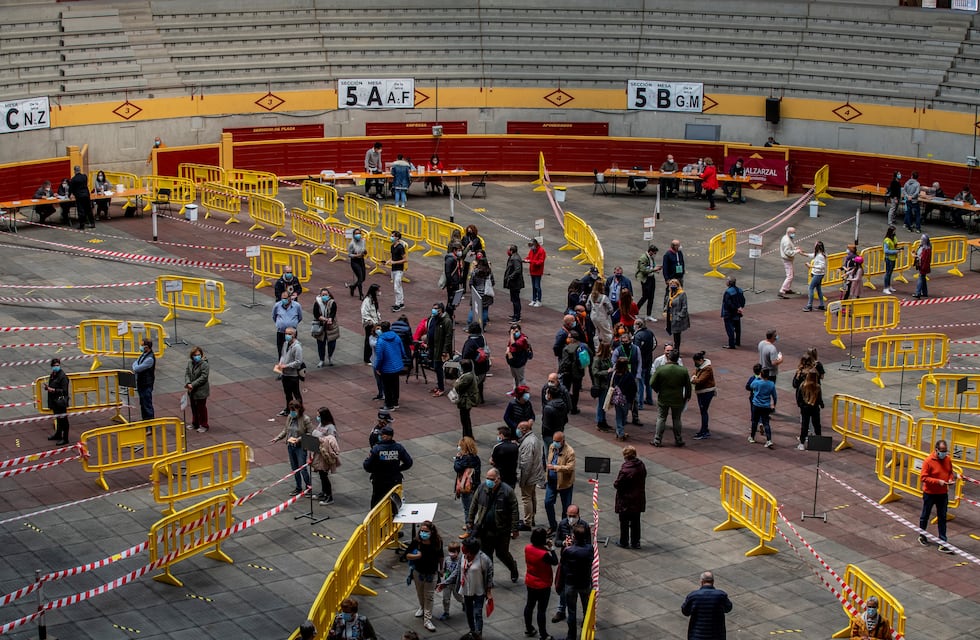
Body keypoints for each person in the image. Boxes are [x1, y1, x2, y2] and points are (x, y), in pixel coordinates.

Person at [465, 468, 520, 582]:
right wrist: (470, 520)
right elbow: (474, 504)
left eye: (491, 479)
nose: (488, 481)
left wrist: (514, 529)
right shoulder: (482, 488)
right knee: (487, 555)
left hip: (502, 530)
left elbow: (515, 511)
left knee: (502, 553)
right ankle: (489, 578)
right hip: (485, 529)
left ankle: (513, 567)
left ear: (498, 479)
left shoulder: (507, 491)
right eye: (487, 478)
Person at [438, 537, 493, 640]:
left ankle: (478, 634)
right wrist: (445, 583)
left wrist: (488, 591)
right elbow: (457, 572)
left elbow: (489, 574)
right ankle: (472, 631)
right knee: (469, 613)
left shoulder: (483, 559)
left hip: (478, 590)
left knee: (477, 613)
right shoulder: (463, 557)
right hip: (466, 590)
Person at [919, 439, 957, 553]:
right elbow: (923, 477)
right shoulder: (928, 461)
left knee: (942, 517)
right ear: (936, 450)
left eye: (946, 451)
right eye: (942, 451)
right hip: (930, 494)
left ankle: (942, 541)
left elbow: (950, 472)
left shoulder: (947, 459)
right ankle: (922, 535)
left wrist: (950, 479)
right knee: (925, 515)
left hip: (942, 494)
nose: (944, 453)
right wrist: (937, 481)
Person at [406, 520, 444, 632]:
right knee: (420, 592)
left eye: (426, 531)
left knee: (429, 596)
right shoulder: (416, 542)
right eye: (422, 531)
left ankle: (427, 619)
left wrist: (441, 568)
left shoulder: (437, 542)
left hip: (431, 574)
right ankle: (422, 607)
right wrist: (416, 556)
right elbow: (407, 555)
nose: (423, 533)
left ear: (432, 532)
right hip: (418, 572)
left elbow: (441, 556)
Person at [558, 523, 594, 640]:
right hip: (584, 583)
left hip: (571, 583)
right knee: (586, 609)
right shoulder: (589, 549)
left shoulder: (569, 551)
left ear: (573, 536)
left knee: (571, 611)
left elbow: (563, 563)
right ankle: (586, 631)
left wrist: (567, 546)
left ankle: (571, 635)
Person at [270, 400, 313, 496]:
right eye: (291, 410)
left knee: (302, 468)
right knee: (295, 468)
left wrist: (299, 439)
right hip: (291, 446)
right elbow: (286, 430)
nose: (292, 412)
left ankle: (308, 487)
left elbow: (310, 433)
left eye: (294, 410)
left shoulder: (305, 419)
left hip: (300, 447)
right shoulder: (290, 417)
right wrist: (277, 438)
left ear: (299, 409)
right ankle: (298, 487)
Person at [651, 349, 691, 447]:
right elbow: (688, 386)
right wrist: (687, 396)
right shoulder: (683, 370)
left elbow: (652, 382)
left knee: (661, 418)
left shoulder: (661, 369)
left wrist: (658, 390)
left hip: (663, 397)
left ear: (669, 357)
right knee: (677, 419)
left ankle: (657, 440)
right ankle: (678, 440)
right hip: (677, 398)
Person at [523, 527, 557, 640]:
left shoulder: (527, 548)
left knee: (529, 605)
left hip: (530, 581)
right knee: (541, 610)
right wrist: (551, 548)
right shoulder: (543, 554)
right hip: (543, 584)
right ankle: (543, 634)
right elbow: (555, 561)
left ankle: (529, 628)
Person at [681, 571, 733, 640]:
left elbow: (685, 612)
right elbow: (728, 608)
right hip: (717, 635)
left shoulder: (693, 596)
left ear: (702, 582)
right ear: (713, 582)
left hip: (697, 635)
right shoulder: (721, 595)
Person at [614, 445, 647, 549]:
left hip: (626, 500)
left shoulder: (625, 470)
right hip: (638, 498)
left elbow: (617, 484)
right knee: (636, 521)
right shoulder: (641, 465)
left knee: (624, 522)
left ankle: (624, 541)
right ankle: (635, 542)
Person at [544, 431, 575, 533]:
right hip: (551, 482)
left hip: (564, 484)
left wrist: (556, 467)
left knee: (566, 507)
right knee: (548, 503)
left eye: (557, 441)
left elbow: (570, 467)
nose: (555, 443)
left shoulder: (570, 452)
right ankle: (553, 525)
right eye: (554, 440)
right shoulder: (552, 447)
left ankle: (564, 528)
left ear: (563, 441)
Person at [517, 420, 545, 530]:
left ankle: (527, 522)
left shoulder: (528, 443)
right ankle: (531, 517)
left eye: (519, 428)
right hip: (535, 473)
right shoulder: (534, 439)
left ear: (524, 430)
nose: (517, 430)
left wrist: (522, 480)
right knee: (532, 495)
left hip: (529, 475)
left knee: (526, 498)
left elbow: (526, 464)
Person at [374, 321, 407, 411]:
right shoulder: (396, 336)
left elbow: (380, 357)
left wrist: (377, 367)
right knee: (395, 384)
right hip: (397, 365)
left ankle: (389, 405)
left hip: (386, 367)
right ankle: (395, 402)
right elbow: (402, 350)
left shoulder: (380, 341)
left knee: (387, 386)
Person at [311, 406, 340, 504]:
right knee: (321, 474)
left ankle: (329, 496)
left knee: (324, 475)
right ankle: (324, 492)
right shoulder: (321, 424)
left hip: (325, 455)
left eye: (319, 415)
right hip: (318, 453)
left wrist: (322, 441)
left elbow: (333, 441)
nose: (317, 417)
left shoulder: (330, 427)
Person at [274, 326, 304, 417]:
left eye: (289, 334)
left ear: (294, 335)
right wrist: (280, 364)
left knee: (296, 394)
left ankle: (300, 411)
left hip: (293, 375)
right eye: (286, 333)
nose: (287, 335)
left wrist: (286, 365)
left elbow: (298, 362)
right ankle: (288, 409)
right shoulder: (286, 343)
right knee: (287, 393)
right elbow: (283, 355)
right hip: (285, 373)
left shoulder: (297, 347)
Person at [426, 302, 454, 397]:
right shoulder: (433, 318)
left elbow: (448, 337)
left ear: (440, 310)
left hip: (440, 349)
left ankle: (441, 388)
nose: (433, 310)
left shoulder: (446, 321)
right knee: (435, 367)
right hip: (433, 348)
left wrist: (445, 351)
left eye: (435, 308)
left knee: (439, 368)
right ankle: (439, 385)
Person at [558, 330, 587, 415]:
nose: (568, 339)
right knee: (576, 391)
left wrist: (560, 370)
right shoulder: (584, 346)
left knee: (566, 389)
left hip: (568, 373)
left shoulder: (567, 348)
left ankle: (567, 406)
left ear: (573, 339)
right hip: (579, 372)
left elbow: (565, 362)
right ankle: (574, 408)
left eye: (569, 337)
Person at [461, 322, 490, 404]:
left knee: (472, 385)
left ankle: (473, 400)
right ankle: (481, 398)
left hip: (474, 368)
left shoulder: (469, 343)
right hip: (484, 366)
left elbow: (465, 356)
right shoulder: (482, 338)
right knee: (480, 384)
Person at [794, 369, 823, 451]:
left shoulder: (803, 385)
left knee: (804, 426)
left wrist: (800, 405)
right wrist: (821, 404)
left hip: (805, 409)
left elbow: (799, 397)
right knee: (817, 425)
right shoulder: (817, 387)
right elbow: (819, 398)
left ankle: (802, 443)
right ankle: (819, 442)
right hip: (815, 409)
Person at [608, 357, 637, 441]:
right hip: (626, 399)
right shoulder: (629, 376)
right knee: (624, 416)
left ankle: (619, 432)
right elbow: (634, 388)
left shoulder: (613, 374)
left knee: (618, 415)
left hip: (616, 399)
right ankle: (620, 432)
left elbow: (609, 382)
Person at [44, 358, 71, 445]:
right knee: (58, 418)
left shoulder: (62, 377)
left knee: (63, 420)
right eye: (54, 365)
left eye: (57, 365)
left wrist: (52, 390)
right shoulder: (53, 375)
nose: (56, 367)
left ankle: (65, 438)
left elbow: (64, 391)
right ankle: (58, 434)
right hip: (55, 401)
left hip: (61, 402)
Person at [454, 436, 481, 520]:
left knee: (467, 508)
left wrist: (457, 459)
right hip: (475, 485)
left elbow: (457, 468)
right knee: (473, 506)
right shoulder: (475, 457)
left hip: (466, 486)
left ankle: (469, 527)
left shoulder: (465, 459)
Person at [748, 369, 777, 448]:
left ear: (761, 374)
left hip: (756, 404)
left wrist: (758, 378)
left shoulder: (757, 382)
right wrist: (774, 404)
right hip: (765, 405)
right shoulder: (771, 384)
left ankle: (752, 437)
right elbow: (774, 396)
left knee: (754, 421)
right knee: (766, 423)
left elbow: (751, 385)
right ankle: (769, 440)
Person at [184, 346, 210, 433]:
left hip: (201, 390)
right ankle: (195, 423)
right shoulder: (190, 363)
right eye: (195, 355)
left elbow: (204, 377)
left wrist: (193, 384)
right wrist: (188, 383)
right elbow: (187, 373)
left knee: (201, 408)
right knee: (193, 407)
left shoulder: (204, 364)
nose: (197, 356)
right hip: (192, 390)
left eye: (199, 355)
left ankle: (204, 425)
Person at [691, 351, 716, 440]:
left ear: (701, 360)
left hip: (706, 392)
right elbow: (694, 373)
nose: (695, 364)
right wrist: (694, 376)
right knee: (703, 411)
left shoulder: (707, 369)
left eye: (696, 362)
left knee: (704, 411)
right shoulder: (700, 367)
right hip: (702, 392)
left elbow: (700, 380)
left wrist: (693, 380)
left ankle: (704, 431)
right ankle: (704, 429)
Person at [453, 359, 480, 439]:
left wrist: (457, 382)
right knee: (466, 419)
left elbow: (457, 386)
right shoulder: (471, 375)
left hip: (466, 401)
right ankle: (468, 435)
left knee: (465, 420)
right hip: (467, 400)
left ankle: (467, 436)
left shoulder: (467, 377)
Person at [312, 287, 339, 367]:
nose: (324, 296)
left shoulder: (332, 302)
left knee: (332, 343)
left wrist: (330, 319)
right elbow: (316, 314)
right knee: (320, 344)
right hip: (320, 325)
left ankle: (330, 357)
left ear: (329, 295)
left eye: (326, 295)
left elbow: (333, 312)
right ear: (320, 295)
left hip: (331, 326)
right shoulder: (317, 303)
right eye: (323, 295)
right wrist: (324, 319)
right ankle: (321, 360)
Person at [591, 341, 614, 432]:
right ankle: (600, 422)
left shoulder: (607, 358)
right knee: (601, 404)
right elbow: (595, 372)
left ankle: (603, 421)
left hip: (607, 385)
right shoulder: (597, 359)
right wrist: (607, 372)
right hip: (601, 386)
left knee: (605, 404)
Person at [272, 291, 303, 359]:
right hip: (281, 332)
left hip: (292, 333)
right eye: (282, 298)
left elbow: (300, 317)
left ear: (289, 298)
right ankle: (281, 366)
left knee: (292, 350)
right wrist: (280, 324)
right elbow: (274, 317)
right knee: (280, 350)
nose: (284, 300)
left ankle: (291, 365)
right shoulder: (277, 305)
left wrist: (293, 324)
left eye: (285, 298)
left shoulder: (297, 306)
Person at [438, 541, 463, 620]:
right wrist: (441, 571)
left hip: (456, 583)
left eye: (453, 552)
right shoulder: (447, 559)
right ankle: (446, 612)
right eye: (450, 551)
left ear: (458, 552)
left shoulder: (460, 561)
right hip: (447, 584)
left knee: (458, 597)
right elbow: (444, 569)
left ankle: (465, 603)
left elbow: (456, 573)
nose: (451, 554)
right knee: (446, 599)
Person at [132, 338, 156, 421]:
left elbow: (137, 368)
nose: (140, 347)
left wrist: (135, 367)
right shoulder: (143, 355)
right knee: (142, 403)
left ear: (147, 347)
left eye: (142, 345)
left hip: (146, 384)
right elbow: (135, 363)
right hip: (141, 383)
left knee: (147, 404)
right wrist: (135, 366)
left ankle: (150, 425)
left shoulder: (149, 359)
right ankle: (144, 420)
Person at [634, 244, 661, 318]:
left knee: (651, 297)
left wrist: (656, 269)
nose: (655, 255)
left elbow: (651, 266)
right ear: (651, 252)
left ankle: (649, 315)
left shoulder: (651, 258)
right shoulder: (643, 258)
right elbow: (643, 270)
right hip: (646, 279)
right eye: (654, 253)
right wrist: (653, 269)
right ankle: (635, 312)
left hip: (651, 278)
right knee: (645, 296)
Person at [664, 278, 690, 353]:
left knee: (677, 334)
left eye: (674, 285)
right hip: (671, 316)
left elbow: (684, 306)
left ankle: (676, 349)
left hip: (678, 318)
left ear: (678, 285)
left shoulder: (682, 294)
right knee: (673, 332)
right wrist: (665, 310)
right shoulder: (670, 293)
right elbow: (667, 302)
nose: (672, 286)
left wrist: (680, 316)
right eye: (671, 285)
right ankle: (676, 348)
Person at [468, 257, 494, 330]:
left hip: (476, 293)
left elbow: (471, 283)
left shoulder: (475, 272)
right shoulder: (489, 272)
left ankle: (470, 324)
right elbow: (493, 282)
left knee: (473, 309)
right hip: (486, 294)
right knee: (485, 310)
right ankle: (483, 326)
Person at [720, 276, 745, 350]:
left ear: (729, 282)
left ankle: (731, 344)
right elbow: (743, 300)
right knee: (737, 328)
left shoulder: (728, 292)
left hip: (729, 313)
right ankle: (737, 341)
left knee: (730, 328)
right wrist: (740, 308)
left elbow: (728, 303)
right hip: (737, 312)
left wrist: (735, 308)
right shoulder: (740, 290)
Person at [505, 323, 532, 392]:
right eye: (513, 331)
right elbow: (509, 344)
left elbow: (514, 344)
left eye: (517, 331)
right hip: (512, 360)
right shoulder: (513, 337)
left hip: (520, 360)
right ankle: (515, 390)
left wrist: (511, 334)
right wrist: (508, 349)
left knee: (520, 378)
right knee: (515, 377)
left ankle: (523, 392)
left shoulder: (523, 339)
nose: (515, 333)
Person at [502, 244, 525, 323]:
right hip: (514, 283)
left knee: (515, 300)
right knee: (514, 299)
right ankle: (516, 314)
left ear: (511, 251)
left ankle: (517, 316)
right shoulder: (514, 257)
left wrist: (510, 277)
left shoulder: (515, 259)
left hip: (515, 283)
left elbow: (517, 270)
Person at [802, 240, 827, 311]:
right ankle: (821, 304)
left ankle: (809, 305)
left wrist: (811, 266)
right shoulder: (820, 254)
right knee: (818, 289)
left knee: (811, 288)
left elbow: (822, 266)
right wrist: (801, 253)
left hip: (818, 274)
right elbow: (811, 255)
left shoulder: (820, 256)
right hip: (819, 274)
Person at [778, 226, 802, 298]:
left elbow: (789, 248)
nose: (794, 234)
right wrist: (797, 251)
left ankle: (787, 289)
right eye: (793, 233)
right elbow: (788, 252)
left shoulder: (787, 237)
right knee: (790, 276)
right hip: (787, 259)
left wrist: (794, 248)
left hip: (788, 259)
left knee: (791, 274)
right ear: (789, 232)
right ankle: (782, 291)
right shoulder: (787, 241)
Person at [587, 281, 615, 345]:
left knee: (597, 331)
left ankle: (597, 348)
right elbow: (611, 309)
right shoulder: (604, 297)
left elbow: (587, 306)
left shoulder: (591, 296)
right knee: (607, 332)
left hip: (593, 317)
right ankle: (607, 347)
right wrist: (606, 313)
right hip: (602, 317)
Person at [360, 283, 382, 364]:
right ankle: (367, 358)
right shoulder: (367, 301)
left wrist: (378, 316)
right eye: (378, 290)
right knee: (368, 340)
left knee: (373, 340)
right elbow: (364, 313)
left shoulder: (374, 299)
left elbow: (375, 310)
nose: (379, 292)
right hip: (369, 324)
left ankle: (372, 356)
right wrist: (371, 322)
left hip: (375, 322)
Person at [661, 239, 686, 310]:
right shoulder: (667, 255)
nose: (679, 247)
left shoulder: (679, 253)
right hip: (672, 277)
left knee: (680, 292)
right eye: (678, 245)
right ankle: (666, 307)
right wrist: (666, 279)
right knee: (669, 292)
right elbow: (665, 267)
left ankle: (679, 306)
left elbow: (682, 262)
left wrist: (683, 272)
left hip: (679, 276)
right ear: (674, 246)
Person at [388, 230, 408, 311]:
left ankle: (398, 304)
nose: (391, 237)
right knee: (398, 286)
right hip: (393, 269)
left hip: (399, 269)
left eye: (393, 236)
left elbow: (405, 259)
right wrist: (388, 261)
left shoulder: (400, 247)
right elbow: (393, 257)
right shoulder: (392, 246)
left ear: (397, 238)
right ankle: (401, 302)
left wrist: (394, 262)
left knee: (396, 287)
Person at [69, 165, 94, 230]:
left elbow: (71, 189)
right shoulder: (84, 177)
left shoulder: (73, 179)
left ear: (74, 171)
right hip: (86, 194)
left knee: (81, 210)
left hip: (79, 196)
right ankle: (92, 223)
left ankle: (82, 225)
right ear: (80, 170)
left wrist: (71, 194)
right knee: (88, 209)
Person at [345, 228, 367, 300]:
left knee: (363, 278)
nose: (358, 235)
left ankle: (353, 286)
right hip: (355, 262)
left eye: (359, 233)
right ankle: (361, 294)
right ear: (353, 235)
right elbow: (349, 254)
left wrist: (364, 252)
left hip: (361, 260)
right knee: (360, 278)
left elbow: (363, 250)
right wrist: (356, 255)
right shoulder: (351, 244)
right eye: (356, 234)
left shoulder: (363, 241)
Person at [524, 238, 546, 307]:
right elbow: (529, 257)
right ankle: (534, 299)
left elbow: (541, 261)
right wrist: (525, 259)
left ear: (535, 244)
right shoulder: (532, 250)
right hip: (532, 270)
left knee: (537, 286)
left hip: (538, 271)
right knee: (534, 286)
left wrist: (531, 261)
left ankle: (539, 300)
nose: (531, 247)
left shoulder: (541, 251)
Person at [444, 241, 464, 316]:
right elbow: (448, 273)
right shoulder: (450, 259)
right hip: (452, 283)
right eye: (459, 250)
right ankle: (448, 316)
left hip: (455, 282)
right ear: (454, 250)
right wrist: (451, 283)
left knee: (453, 301)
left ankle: (450, 315)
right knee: (451, 300)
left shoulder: (456, 259)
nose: (460, 252)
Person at [881, 226, 899, 295]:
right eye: (894, 231)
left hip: (893, 258)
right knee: (888, 273)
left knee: (890, 273)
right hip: (889, 258)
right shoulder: (887, 240)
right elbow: (886, 251)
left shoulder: (894, 238)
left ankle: (888, 286)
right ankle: (885, 288)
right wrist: (895, 252)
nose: (895, 232)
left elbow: (895, 245)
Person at [913, 234, 932, 299]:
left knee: (921, 278)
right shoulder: (924, 247)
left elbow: (923, 258)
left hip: (923, 265)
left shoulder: (926, 249)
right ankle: (924, 292)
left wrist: (916, 256)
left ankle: (918, 293)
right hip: (923, 265)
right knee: (923, 278)